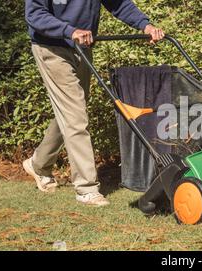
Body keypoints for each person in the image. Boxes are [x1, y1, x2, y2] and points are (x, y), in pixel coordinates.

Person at [23, 0, 165, 206]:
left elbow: (119, 4)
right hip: (51, 48)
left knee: (71, 111)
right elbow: (34, 15)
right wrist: (69, 31)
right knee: (75, 115)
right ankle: (86, 188)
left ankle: (39, 164)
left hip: (81, 46)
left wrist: (145, 25)